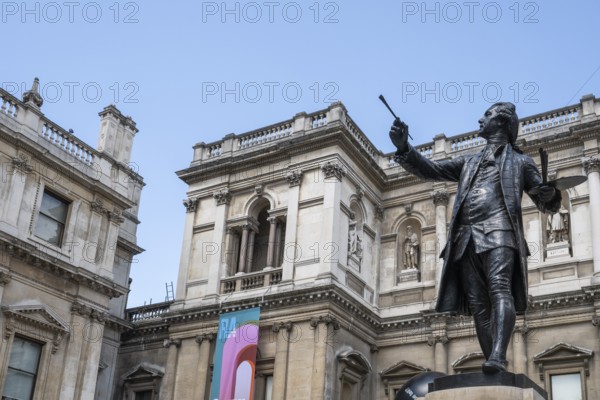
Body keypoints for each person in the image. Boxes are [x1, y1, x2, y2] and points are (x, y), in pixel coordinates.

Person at [389, 102, 561, 373]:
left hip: (500, 231)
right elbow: (432, 169)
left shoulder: (521, 162)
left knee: (500, 288)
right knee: (479, 306)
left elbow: (545, 202)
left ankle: (497, 356)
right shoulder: (469, 161)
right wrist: (404, 149)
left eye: (488, 115)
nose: (480, 119)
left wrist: (550, 195)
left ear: (503, 123)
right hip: (466, 238)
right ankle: (493, 361)